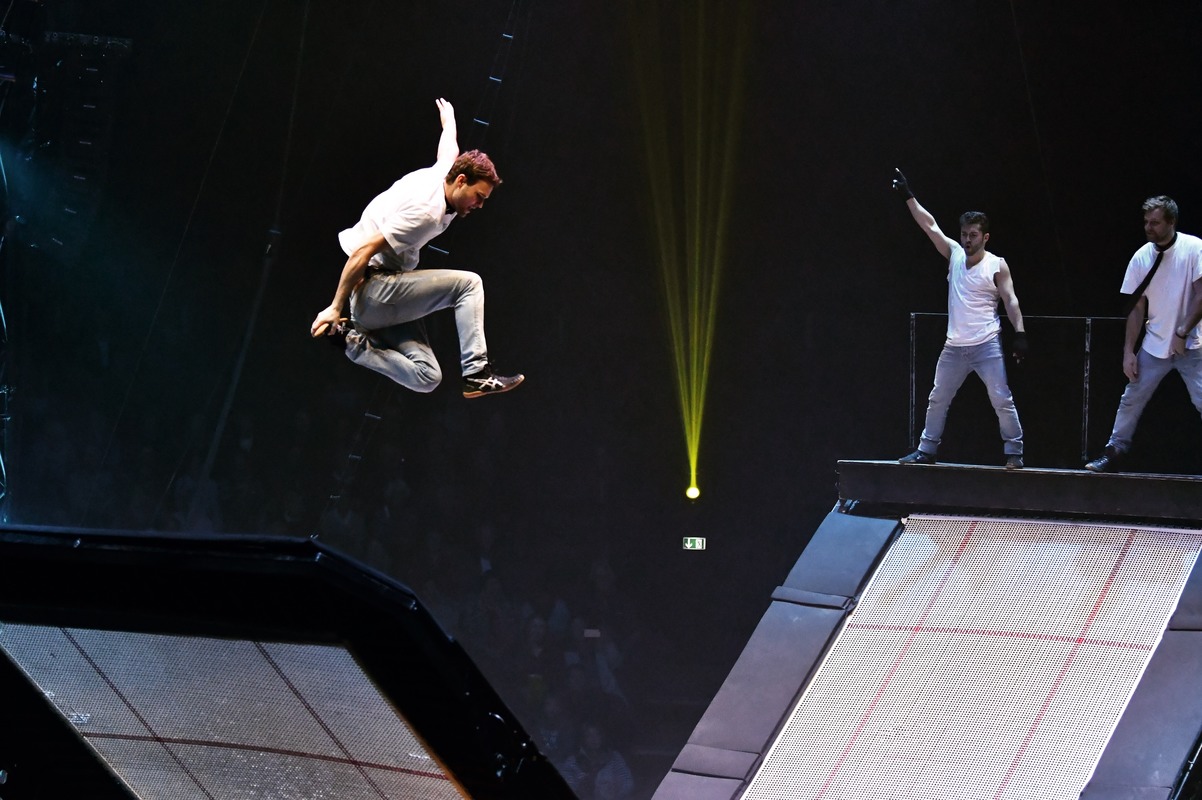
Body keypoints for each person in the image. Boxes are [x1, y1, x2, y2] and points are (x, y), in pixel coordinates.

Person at [310, 98, 524, 398]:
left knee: (427, 377)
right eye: (479, 196)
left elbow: (448, 148)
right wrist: (335, 307)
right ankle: (476, 372)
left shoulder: (445, 172)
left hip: (385, 299)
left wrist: (449, 121)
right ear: (461, 181)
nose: (479, 205)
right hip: (375, 291)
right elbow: (362, 251)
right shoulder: (426, 212)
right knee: (469, 284)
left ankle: (349, 342)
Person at [891, 168, 1028, 469]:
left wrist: (1019, 333)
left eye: (973, 235)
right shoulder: (953, 254)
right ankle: (926, 450)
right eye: (964, 234)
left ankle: (1014, 453)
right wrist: (908, 195)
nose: (967, 240)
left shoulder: (996, 265)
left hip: (986, 344)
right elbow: (930, 226)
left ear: (985, 237)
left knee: (1001, 398)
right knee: (938, 397)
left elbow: (1010, 299)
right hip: (954, 346)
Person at [1084, 196, 1202, 472]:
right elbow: (1136, 308)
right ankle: (1114, 450)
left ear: (1171, 222)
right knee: (1132, 398)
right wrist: (1129, 352)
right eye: (1147, 222)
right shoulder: (1142, 257)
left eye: (1155, 222)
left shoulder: (1194, 248)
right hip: (1155, 343)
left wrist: (1182, 331)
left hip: (1192, 344)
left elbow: (1201, 295)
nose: (1149, 227)